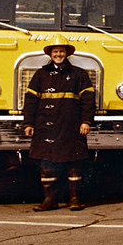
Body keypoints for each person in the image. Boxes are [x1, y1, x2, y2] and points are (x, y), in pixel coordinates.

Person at [23, 36, 96, 212]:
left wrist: (86, 121)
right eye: (55, 51)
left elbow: (88, 101)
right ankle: (50, 200)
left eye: (61, 51)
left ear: (67, 54)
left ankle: (75, 199)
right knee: (47, 166)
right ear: (50, 54)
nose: (58, 54)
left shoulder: (79, 74)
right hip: (45, 128)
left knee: (74, 165)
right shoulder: (40, 75)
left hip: (71, 127)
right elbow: (31, 101)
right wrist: (28, 123)